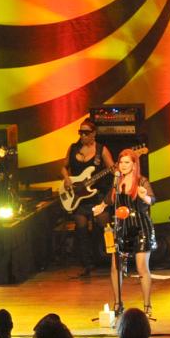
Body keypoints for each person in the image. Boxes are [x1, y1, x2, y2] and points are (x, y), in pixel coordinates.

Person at [95, 148, 154, 320]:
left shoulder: (141, 181)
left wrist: (144, 197)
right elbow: (108, 199)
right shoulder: (117, 182)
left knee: (142, 267)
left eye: (127, 162)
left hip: (140, 227)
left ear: (134, 164)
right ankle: (118, 303)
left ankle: (147, 305)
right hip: (122, 229)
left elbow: (152, 200)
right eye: (121, 162)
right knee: (116, 267)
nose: (123, 165)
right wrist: (100, 207)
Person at [60, 118, 114, 278]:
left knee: (103, 225)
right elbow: (64, 167)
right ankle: (86, 263)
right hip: (77, 195)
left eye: (86, 132)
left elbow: (112, 168)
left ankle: (109, 259)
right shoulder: (73, 148)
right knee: (81, 228)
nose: (83, 135)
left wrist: (120, 167)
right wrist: (67, 178)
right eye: (80, 132)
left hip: (97, 194)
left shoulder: (101, 150)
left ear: (94, 133)